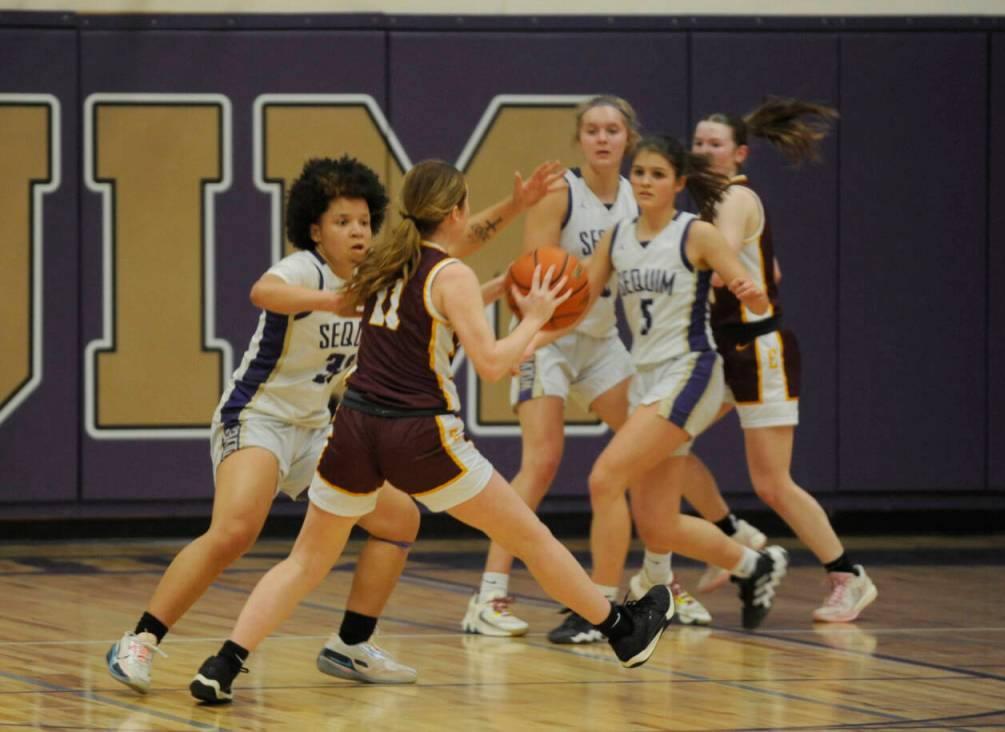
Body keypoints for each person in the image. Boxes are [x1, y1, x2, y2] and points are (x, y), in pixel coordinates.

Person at [188, 159, 673, 704]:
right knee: (529, 537)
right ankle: (622, 630)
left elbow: (430, 310)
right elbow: (491, 363)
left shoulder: (385, 262)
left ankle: (223, 663)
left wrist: (497, 286)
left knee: (304, 561)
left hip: (353, 428)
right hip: (419, 434)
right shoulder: (451, 275)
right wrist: (535, 319)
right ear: (455, 211)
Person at [106, 154, 563, 694]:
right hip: (259, 415)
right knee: (236, 529)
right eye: (342, 222)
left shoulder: (383, 272)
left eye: (365, 221)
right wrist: (333, 301)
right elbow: (262, 292)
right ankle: (141, 639)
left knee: (400, 522)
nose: (356, 231)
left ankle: (350, 645)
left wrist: (516, 206)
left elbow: (453, 241)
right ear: (315, 230)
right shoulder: (305, 269)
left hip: (318, 427)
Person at [463, 96, 720, 643]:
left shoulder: (639, 197)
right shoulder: (561, 193)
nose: (602, 139)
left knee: (654, 454)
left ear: (628, 138)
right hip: (552, 342)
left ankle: (661, 582)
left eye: (612, 130)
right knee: (543, 462)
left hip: (603, 343)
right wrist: (552, 311)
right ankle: (488, 595)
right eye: (592, 130)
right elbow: (539, 278)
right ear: (579, 139)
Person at [577, 134, 791, 632]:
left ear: (679, 184)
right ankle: (755, 564)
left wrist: (751, 292)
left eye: (657, 174)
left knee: (605, 478)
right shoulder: (618, 237)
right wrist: (534, 317)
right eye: (641, 172)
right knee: (658, 523)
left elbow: (754, 297)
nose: (645, 181)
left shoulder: (696, 234)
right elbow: (581, 298)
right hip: (645, 378)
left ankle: (601, 611)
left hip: (690, 371)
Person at [687, 98, 878, 622]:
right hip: (726, 347)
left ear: (738, 153)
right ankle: (732, 534)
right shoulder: (713, 204)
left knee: (772, 483)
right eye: (698, 142)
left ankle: (848, 574)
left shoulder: (734, 199)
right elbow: (769, 266)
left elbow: (723, 264)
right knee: (665, 447)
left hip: (759, 348)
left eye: (714, 144)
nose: (703, 150)